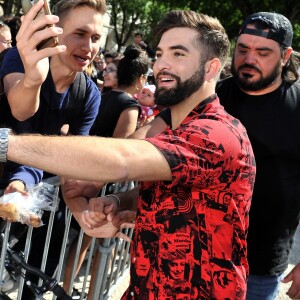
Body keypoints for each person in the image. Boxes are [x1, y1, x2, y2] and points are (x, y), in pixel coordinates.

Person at [1, 10, 256, 299]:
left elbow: (122, 159)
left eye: (178, 55)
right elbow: (181, 190)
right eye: (160, 54)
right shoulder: (171, 123)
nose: (162, 65)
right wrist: (118, 201)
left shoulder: (218, 135)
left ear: (210, 69)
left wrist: (4, 144)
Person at [0, 0, 105, 298]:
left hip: (32, 206)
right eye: (79, 34)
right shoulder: (17, 60)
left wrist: (86, 209)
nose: (88, 46)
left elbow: (68, 158)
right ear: (55, 33)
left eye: (95, 38)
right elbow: (21, 112)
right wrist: (34, 78)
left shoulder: (88, 94)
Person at [215, 12, 300, 300]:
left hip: (259, 268)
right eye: (243, 49)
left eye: (263, 52)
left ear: (285, 56)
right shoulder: (210, 97)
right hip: (198, 251)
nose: (250, 59)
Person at [63, 44, 147, 297]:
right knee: (89, 245)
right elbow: (118, 152)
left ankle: (76, 291)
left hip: (81, 175)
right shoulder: (129, 106)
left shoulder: (103, 95)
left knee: (83, 244)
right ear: (142, 79)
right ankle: (83, 294)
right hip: (99, 184)